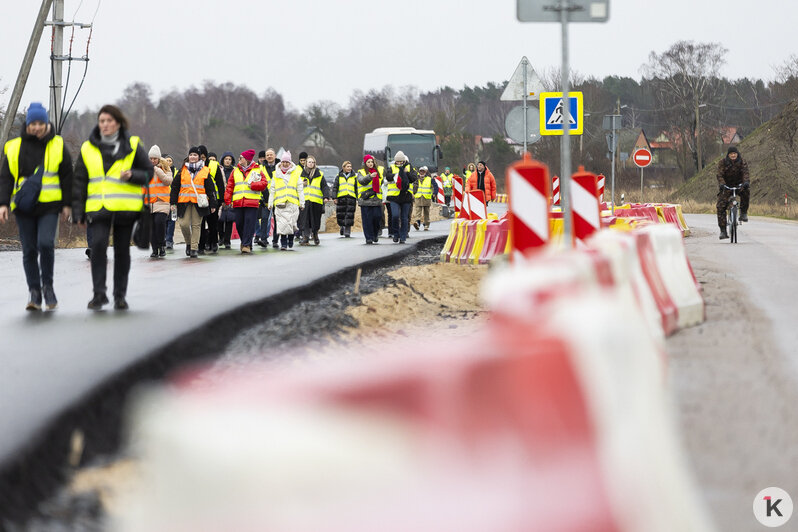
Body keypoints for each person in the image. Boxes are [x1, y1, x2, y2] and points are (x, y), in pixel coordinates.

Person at [72, 104, 153, 310]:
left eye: (109, 121)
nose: (105, 125)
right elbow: (79, 181)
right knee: (97, 247)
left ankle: (119, 296)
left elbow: (148, 173)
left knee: (121, 252)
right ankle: (99, 294)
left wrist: (132, 175)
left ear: (118, 123)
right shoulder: (87, 147)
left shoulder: (133, 145)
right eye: (101, 121)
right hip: (98, 207)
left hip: (125, 208)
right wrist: (78, 212)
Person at [0, 102, 74, 310]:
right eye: (34, 123)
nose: (37, 127)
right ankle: (34, 292)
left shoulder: (57, 144)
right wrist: (3, 203)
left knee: (45, 244)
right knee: (30, 250)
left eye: (41, 123)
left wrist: (67, 204)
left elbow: (67, 175)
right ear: (28, 124)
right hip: (24, 206)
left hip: (50, 206)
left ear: (46, 123)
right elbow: (5, 177)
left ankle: (48, 287)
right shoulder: (14, 147)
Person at [170, 146, 218, 258]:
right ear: (188, 156)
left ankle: (193, 248)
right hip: (184, 201)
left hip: (199, 202)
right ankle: (188, 243)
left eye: (195, 155)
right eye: (191, 155)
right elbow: (175, 187)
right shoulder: (182, 170)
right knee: (184, 224)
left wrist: (213, 204)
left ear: (199, 157)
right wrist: (173, 203)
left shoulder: (205, 170)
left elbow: (210, 189)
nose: (192, 157)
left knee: (196, 225)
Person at [224, 149, 267, 253]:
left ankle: (246, 244)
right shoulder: (235, 170)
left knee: (249, 223)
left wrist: (253, 185)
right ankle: (245, 242)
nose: (239, 160)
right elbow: (230, 186)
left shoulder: (257, 170)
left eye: (241, 158)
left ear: (247, 159)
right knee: (239, 223)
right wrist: (227, 199)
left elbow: (264, 184)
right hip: (238, 202)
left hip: (252, 202)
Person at [268, 151, 304, 250]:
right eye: (283, 162)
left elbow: (300, 189)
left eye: (287, 162)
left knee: (291, 224)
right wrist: (270, 203)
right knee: (282, 225)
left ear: (290, 162)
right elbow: (272, 189)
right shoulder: (276, 174)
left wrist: (302, 203)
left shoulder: (296, 173)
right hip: (280, 204)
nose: (285, 164)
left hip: (292, 203)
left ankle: (291, 239)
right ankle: (283, 243)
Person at [716, 146, 750, 239]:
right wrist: (722, 184)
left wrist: (746, 182)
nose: (733, 155)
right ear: (728, 155)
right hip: (726, 187)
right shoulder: (723, 162)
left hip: (739, 185)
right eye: (731, 154)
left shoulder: (742, 162)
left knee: (746, 192)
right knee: (720, 206)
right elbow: (720, 175)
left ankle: (743, 213)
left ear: (737, 154)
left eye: (734, 153)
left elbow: (745, 173)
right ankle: (723, 231)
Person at [146, 144, 173, 258]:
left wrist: (157, 170)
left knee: (159, 223)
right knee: (151, 227)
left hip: (162, 202)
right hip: (148, 203)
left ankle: (162, 245)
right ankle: (154, 249)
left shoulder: (165, 168)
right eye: (151, 159)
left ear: (158, 158)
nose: (152, 161)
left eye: (155, 159)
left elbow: (168, 181)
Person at [385, 151, 417, 244]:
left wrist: (406, 173)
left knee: (404, 217)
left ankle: (403, 236)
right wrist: (396, 176)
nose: (399, 163)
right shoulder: (391, 167)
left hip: (406, 196)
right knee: (395, 216)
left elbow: (413, 178)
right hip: (394, 196)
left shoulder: (409, 167)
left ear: (404, 161)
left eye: (401, 162)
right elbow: (388, 176)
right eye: (397, 162)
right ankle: (396, 233)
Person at [298, 155, 330, 245]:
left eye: (312, 162)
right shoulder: (300, 174)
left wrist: (326, 197)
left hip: (316, 201)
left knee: (315, 220)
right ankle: (306, 237)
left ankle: (315, 235)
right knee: (305, 220)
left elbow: (324, 186)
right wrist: (301, 184)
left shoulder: (319, 174)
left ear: (314, 163)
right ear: (306, 163)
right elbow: (295, 186)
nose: (311, 164)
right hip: (304, 201)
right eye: (309, 162)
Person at [198, 149, 224, 254]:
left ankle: (214, 242)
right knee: (200, 224)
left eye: (204, 157)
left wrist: (221, 199)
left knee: (212, 223)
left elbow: (220, 183)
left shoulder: (213, 166)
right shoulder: (194, 166)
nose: (202, 159)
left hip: (213, 199)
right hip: (199, 199)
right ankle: (202, 244)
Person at [357, 155, 384, 244]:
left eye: (371, 162)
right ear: (365, 163)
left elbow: (383, 183)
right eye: (368, 162)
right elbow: (361, 181)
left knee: (377, 218)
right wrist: (370, 176)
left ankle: (375, 234)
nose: (370, 164)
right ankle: (368, 237)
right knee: (367, 220)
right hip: (365, 199)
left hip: (376, 199)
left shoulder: (379, 171)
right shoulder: (361, 172)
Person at [255, 148, 276, 248]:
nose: (269, 157)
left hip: (278, 197)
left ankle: (275, 240)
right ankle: (263, 239)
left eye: (271, 155)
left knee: (277, 220)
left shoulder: (279, 168)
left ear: (275, 156)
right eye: (267, 155)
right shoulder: (261, 168)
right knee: (264, 218)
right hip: (265, 198)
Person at [216, 151, 236, 249]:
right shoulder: (219, 170)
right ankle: (221, 237)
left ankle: (227, 240)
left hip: (231, 198)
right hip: (221, 197)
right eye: (226, 159)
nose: (227, 161)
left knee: (229, 220)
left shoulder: (235, 171)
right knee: (220, 219)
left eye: (229, 159)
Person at [332, 160, 357, 237]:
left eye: (350, 167)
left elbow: (356, 188)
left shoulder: (354, 176)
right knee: (341, 214)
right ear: (343, 167)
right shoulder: (338, 176)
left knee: (350, 215)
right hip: (341, 198)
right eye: (347, 167)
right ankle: (342, 226)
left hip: (351, 198)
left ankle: (347, 230)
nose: (349, 168)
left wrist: (358, 198)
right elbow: (335, 188)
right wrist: (335, 198)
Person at [412, 166, 438, 231]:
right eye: (420, 171)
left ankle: (426, 225)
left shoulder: (429, 179)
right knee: (418, 212)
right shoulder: (416, 179)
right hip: (418, 197)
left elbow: (435, 186)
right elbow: (412, 187)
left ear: (425, 172)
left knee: (426, 212)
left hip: (426, 198)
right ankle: (417, 223)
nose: (421, 173)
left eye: (423, 171)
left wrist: (434, 193)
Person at [163, 153, 178, 250]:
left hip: (173, 200)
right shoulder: (160, 171)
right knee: (164, 221)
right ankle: (164, 239)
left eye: (170, 161)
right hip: (163, 199)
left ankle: (169, 240)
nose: (168, 162)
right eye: (166, 160)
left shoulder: (176, 172)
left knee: (172, 221)